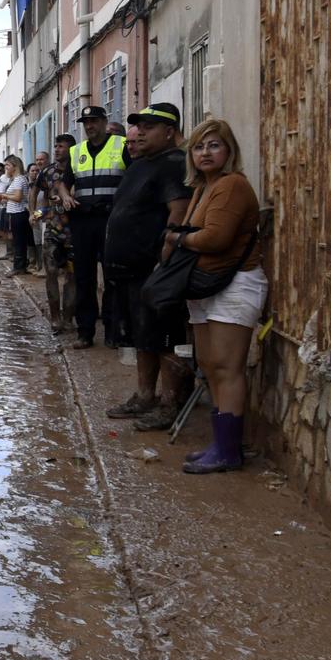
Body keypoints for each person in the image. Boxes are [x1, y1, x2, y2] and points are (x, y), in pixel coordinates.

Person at [168, 118, 266, 474]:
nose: (205, 153)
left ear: (229, 151)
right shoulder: (201, 188)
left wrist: (178, 239)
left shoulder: (231, 186)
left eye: (213, 145)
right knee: (210, 364)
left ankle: (228, 451)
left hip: (234, 284)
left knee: (227, 367)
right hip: (206, 286)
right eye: (198, 147)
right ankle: (220, 442)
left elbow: (214, 239)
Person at [101, 102, 194, 430]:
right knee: (143, 336)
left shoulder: (174, 163)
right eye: (139, 126)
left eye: (149, 126)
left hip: (152, 270)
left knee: (162, 337)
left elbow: (178, 213)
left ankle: (170, 404)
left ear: (169, 131)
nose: (140, 132)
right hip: (128, 269)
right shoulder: (142, 163)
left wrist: (164, 263)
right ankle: (144, 396)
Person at [62, 104, 126, 349]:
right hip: (83, 221)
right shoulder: (77, 151)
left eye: (94, 121)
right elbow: (63, 182)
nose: (89, 126)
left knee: (112, 277)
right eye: (86, 123)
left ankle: (112, 331)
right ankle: (85, 332)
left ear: (103, 122)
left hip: (112, 220)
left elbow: (131, 179)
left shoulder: (120, 146)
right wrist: (66, 195)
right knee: (84, 278)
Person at [30, 135, 76, 329]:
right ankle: (55, 317)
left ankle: (68, 318)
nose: (57, 150)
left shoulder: (78, 169)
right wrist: (33, 213)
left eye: (61, 147)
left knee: (71, 275)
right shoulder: (48, 172)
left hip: (75, 230)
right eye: (55, 146)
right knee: (50, 272)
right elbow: (34, 191)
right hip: (52, 229)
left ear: (71, 149)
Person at [2, 155, 31, 274]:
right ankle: (19, 265)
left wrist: (5, 196)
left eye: (7, 165)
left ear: (14, 166)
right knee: (17, 240)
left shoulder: (19, 179)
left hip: (19, 214)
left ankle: (19, 267)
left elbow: (18, 197)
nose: (6, 168)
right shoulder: (15, 180)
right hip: (15, 213)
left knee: (19, 241)